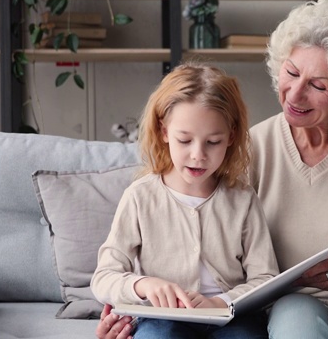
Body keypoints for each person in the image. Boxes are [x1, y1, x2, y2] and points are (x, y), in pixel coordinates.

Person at [97, 0, 328, 339]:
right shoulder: (246, 149)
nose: (293, 95)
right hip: (301, 302)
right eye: (291, 73)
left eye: (318, 85)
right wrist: (127, 307)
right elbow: (201, 243)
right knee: (292, 318)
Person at [91, 63, 279, 339]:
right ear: (164, 131)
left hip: (231, 318)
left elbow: (265, 279)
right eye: (184, 140)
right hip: (162, 320)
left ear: (231, 137)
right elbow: (104, 277)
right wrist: (144, 285)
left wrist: (220, 302)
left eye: (213, 141)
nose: (198, 155)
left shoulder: (242, 199)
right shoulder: (141, 196)